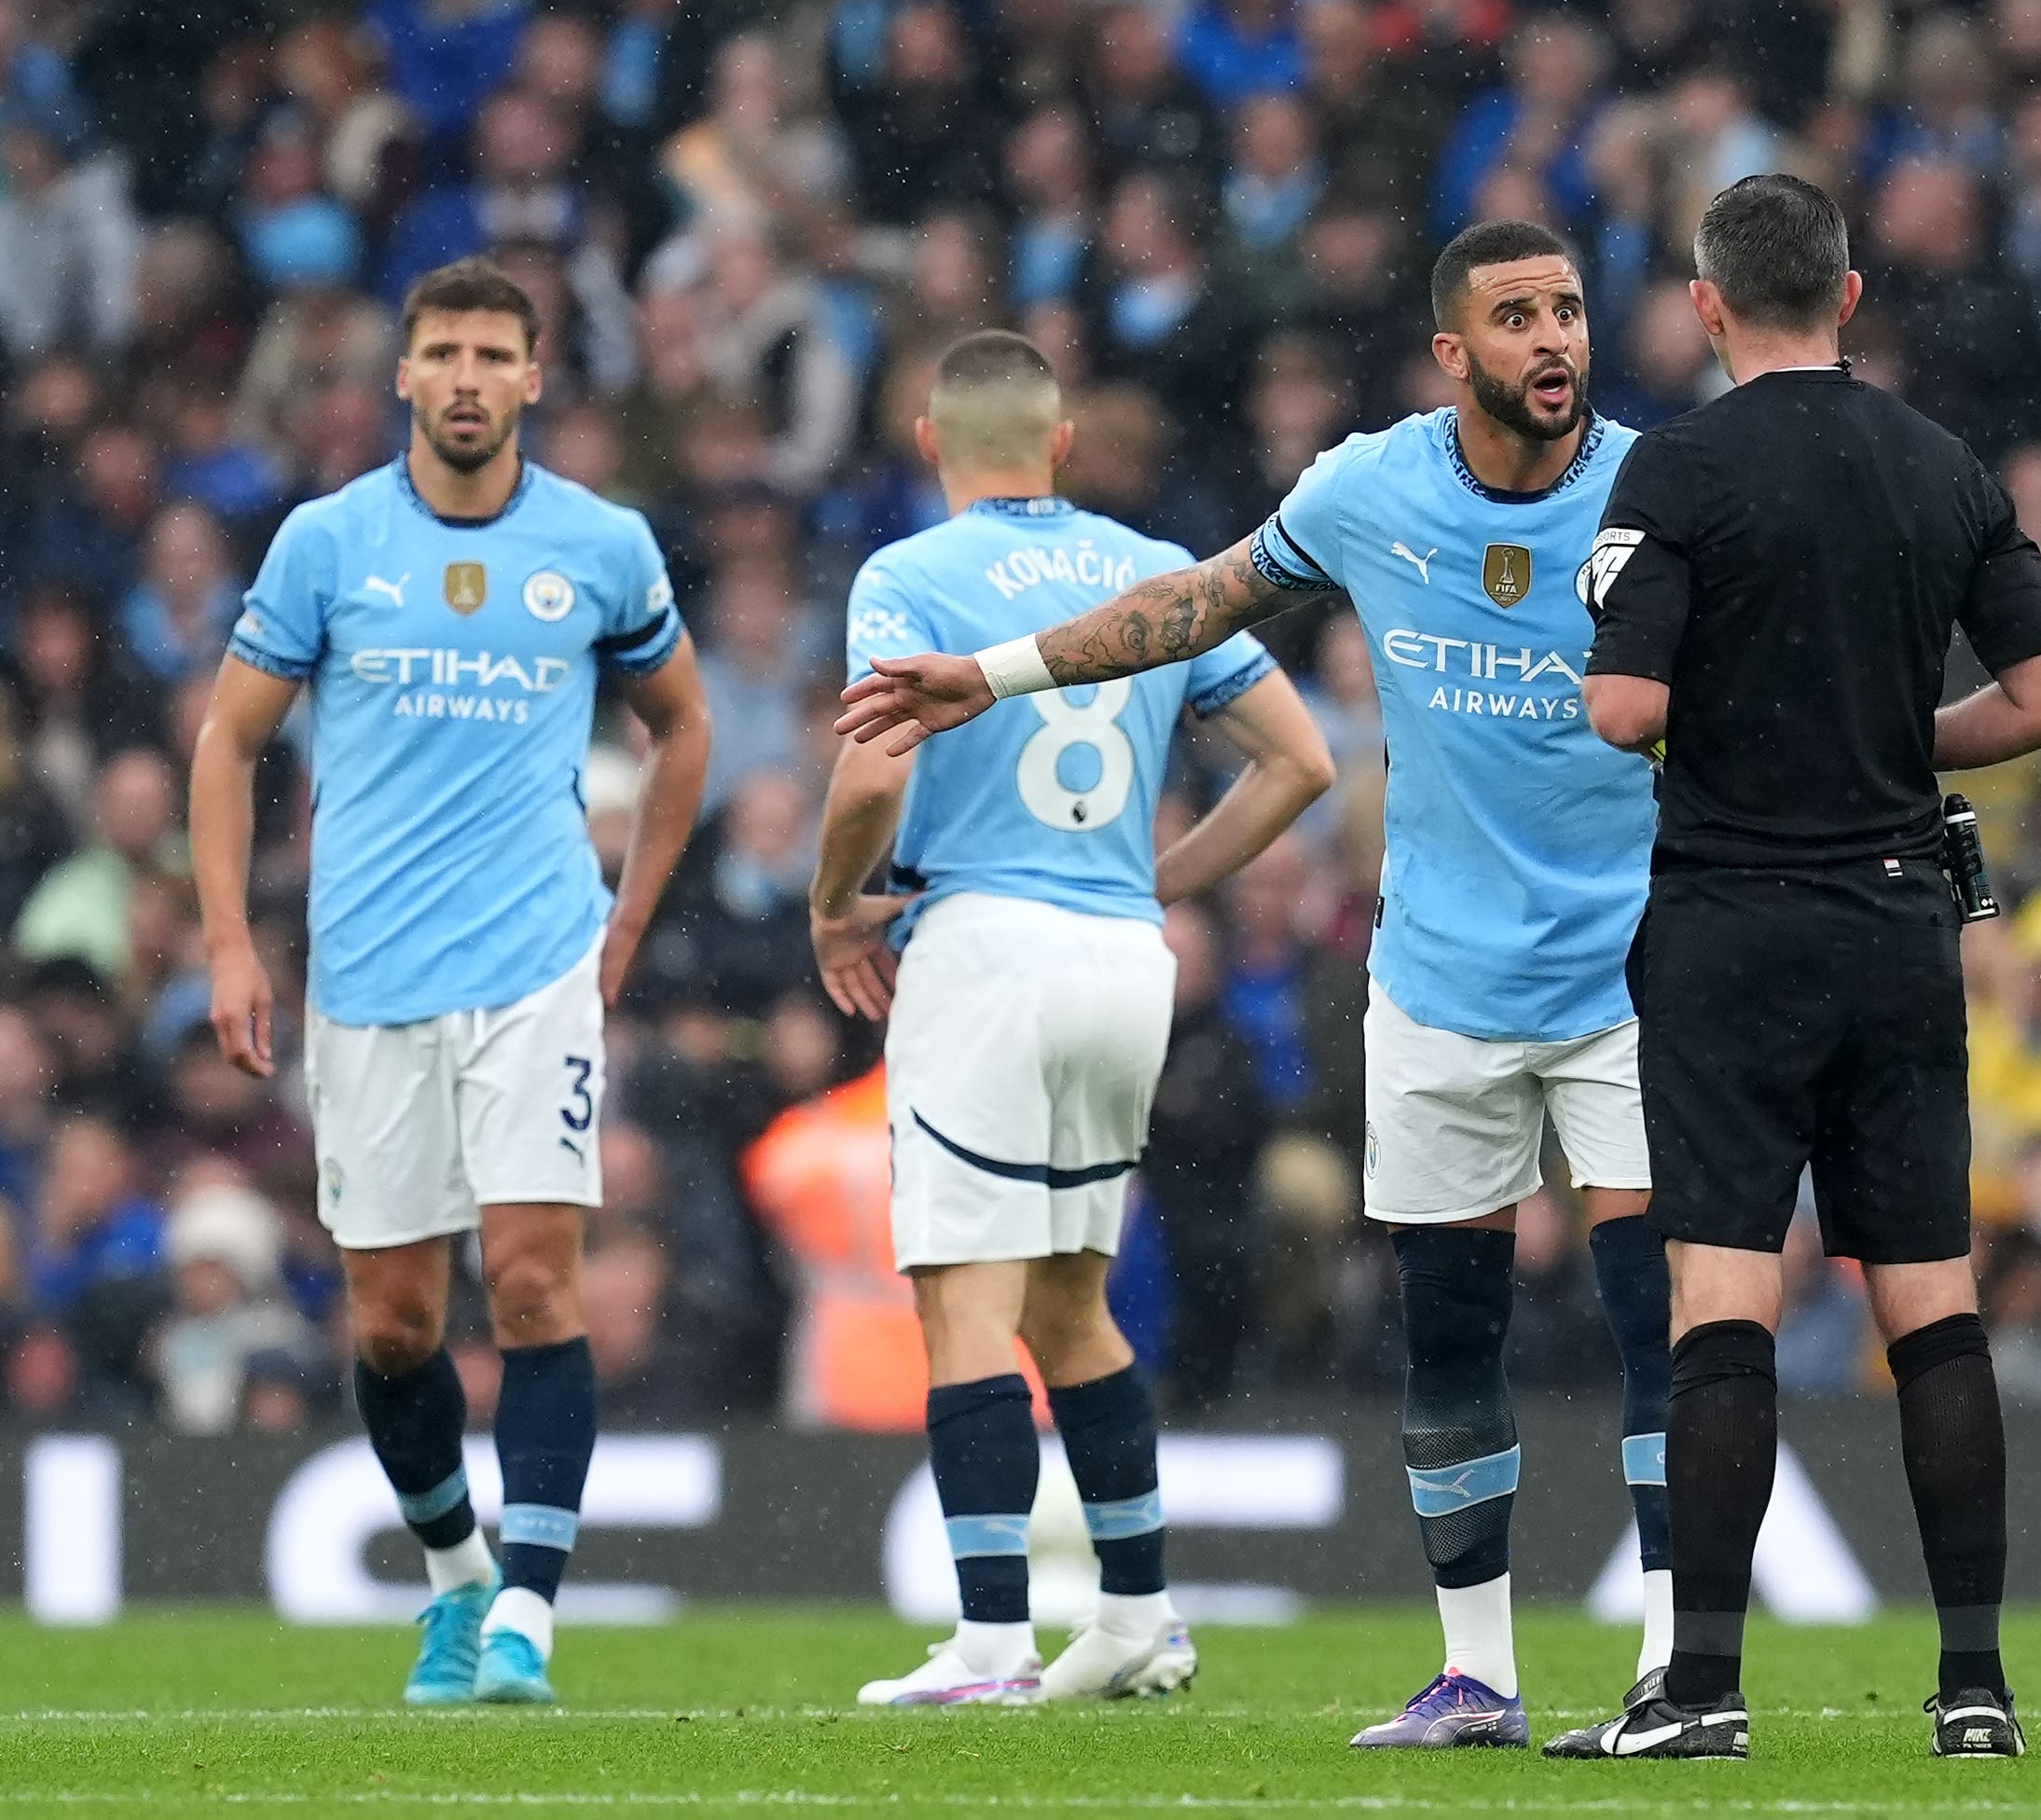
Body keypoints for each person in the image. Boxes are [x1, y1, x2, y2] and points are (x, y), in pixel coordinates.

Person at [836, 220, 1678, 1749]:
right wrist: (1007, 672)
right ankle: (1473, 1675)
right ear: (1452, 350)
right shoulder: (1366, 485)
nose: (1552, 338)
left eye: (1566, 309)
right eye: (1516, 316)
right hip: (1429, 978)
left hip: (1629, 969)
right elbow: (1206, 607)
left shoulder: (1659, 483)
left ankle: (1680, 1666)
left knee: (1651, 1313)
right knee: (1441, 1328)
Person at [1554, 173, 2041, 1763]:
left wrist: (1764, 721)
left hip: (1731, 927)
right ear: (1849, 298)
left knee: (1724, 1298)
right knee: (1931, 1302)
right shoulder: (1938, 463)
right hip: (1898, 919)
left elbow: (1621, 712)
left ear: (1707, 307)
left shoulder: (1679, 465)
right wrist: (1889, 738)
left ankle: (1701, 1686)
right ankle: (1975, 1684)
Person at [188, 258, 712, 1705]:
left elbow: (684, 727)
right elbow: (228, 743)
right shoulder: (326, 542)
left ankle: (530, 1614)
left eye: (495, 352)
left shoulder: (601, 544)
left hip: (536, 964)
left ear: (535, 378)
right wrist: (232, 940)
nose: (469, 376)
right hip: (365, 976)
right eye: (444, 353)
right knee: (395, 1323)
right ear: (403, 378)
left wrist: (626, 919)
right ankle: (454, 1579)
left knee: (537, 1282)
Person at [811, 331, 1334, 1709]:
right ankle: (1141, 1616)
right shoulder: (1146, 574)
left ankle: (989, 1645)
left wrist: (831, 902)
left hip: (982, 946)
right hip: (1122, 956)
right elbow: (1303, 761)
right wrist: (1157, 881)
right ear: (1059, 443)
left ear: (928, 440)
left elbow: (871, 767)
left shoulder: (909, 575)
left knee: (964, 1296)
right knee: (1069, 1301)